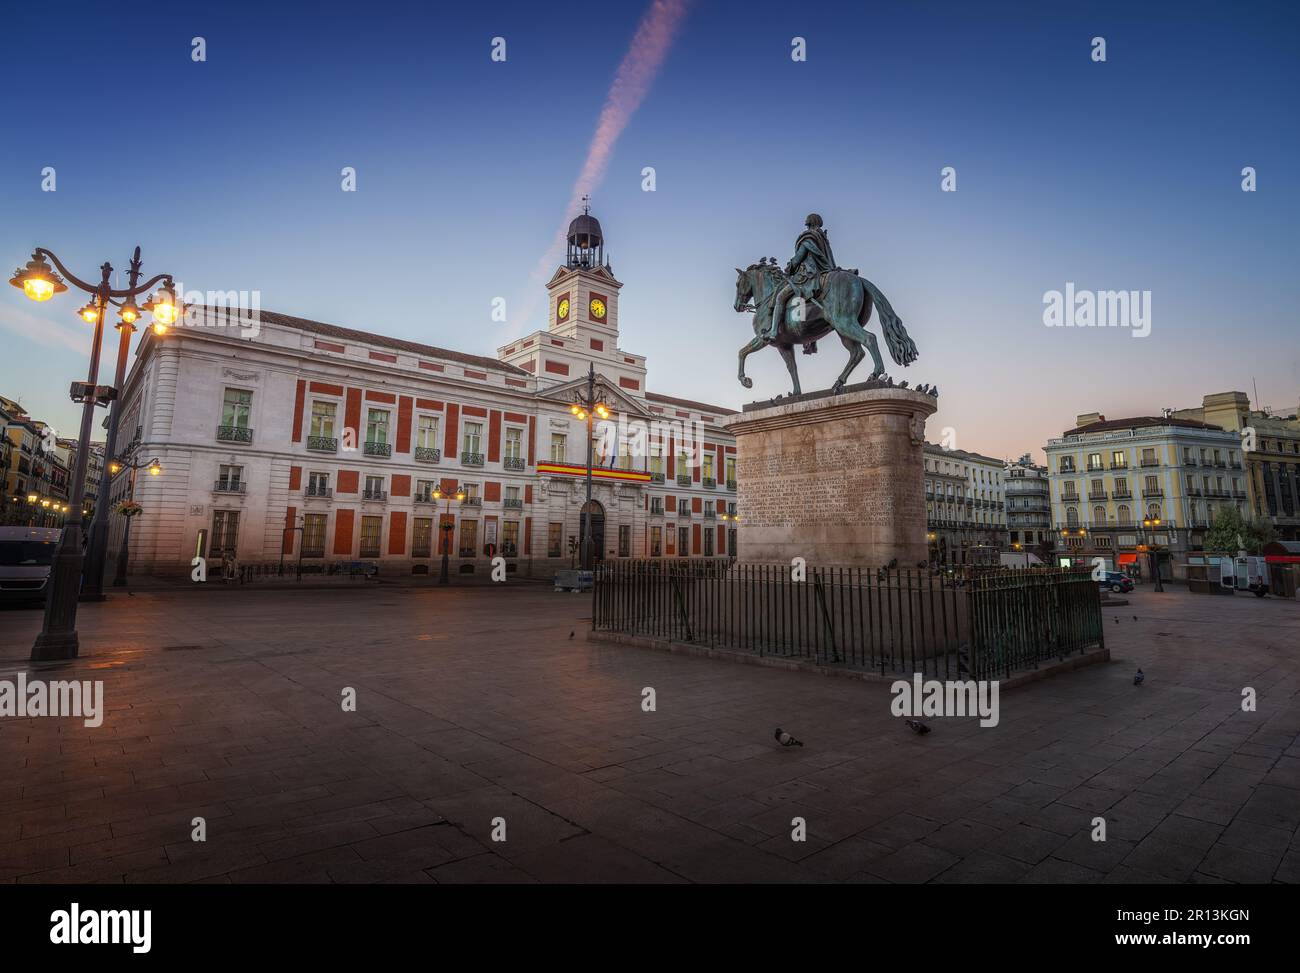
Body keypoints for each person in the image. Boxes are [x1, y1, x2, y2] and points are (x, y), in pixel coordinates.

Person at [762, 213, 837, 342]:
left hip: (806, 276)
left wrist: (790, 266)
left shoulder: (808, 238)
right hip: (822, 272)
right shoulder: (822, 237)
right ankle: (809, 342)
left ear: (809, 223)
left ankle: (773, 331)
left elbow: (799, 257)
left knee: (780, 297)